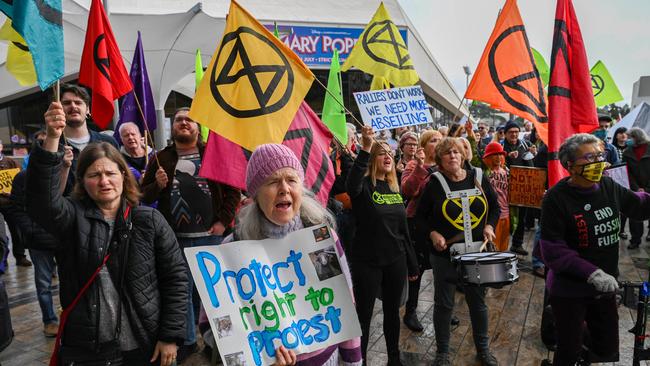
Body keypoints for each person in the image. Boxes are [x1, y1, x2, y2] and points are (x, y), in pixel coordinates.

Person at [27, 101, 189, 365]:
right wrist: (53, 139)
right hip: (89, 348)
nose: (104, 181)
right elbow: (41, 204)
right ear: (82, 181)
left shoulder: (149, 220)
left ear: (124, 177)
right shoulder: (71, 217)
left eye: (111, 173)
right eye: (94, 174)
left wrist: (170, 335)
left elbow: (176, 279)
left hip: (144, 343)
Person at [203, 143, 362, 366]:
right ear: (256, 194)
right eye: (273, 181)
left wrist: (353, 361)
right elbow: (212, 328)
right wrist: (260, 358)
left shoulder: (319, 241)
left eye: (291, 179)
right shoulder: (232, 251)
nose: (284, 188)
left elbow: (345, 305)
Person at [539, 133, 650, 365]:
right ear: (570, 165)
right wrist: (591, 273)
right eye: (589, 158)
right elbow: (551, 249)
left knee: (607, 348)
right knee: (568, 351)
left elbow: (637, 205)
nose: (598, 162)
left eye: (600, 155)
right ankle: (566, 330)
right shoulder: (556, 199)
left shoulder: (608, 185)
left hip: (606, 285)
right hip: (570, 289)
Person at [141, 107, 240, 360]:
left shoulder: (212, 154)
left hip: (211, 238)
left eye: (189, 120)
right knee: (181, 293)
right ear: (172, 127)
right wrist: (157, 185)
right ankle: (185, 340)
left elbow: (232, 191)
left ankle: (214, 339)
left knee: (212, 293)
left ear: (198, 127)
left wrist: (222, 222)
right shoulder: (160, 158)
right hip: (175, 240)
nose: (184, 123)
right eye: (178, 120)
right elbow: (142, 196)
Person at [416, 137, 500, 366]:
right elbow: (419, 218)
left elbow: (494, 207)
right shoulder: (434, 183)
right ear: (440, 160)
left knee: (478, 302)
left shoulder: (479, 178)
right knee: (444, 304)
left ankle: (483, 350)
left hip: (476, 255)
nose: (453, 156)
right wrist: (433, 233)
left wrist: (490, 225)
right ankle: (443, 353)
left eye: (456, 152)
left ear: (463, 156)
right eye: (447, 153)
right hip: (445, 257)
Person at [346, 126, 418, 365]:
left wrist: (412, 263)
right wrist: (366, 147)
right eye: (382, 153)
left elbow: (403, 230)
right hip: (367, 261)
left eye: (390, 153)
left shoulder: (394, 188)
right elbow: (352, 183)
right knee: (364, 316)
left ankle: (394, 358)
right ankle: (361, 360)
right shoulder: (363, 186)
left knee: (392, 314)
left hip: (394, 260)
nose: (388, 156)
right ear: (372, 159)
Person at [6, 143, 73, 337]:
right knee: (44, 282)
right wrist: (32, 231)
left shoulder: (62, 173)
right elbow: (16, 208)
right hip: (38, 241)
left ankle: (68, 316)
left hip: (61, 237)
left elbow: (70, 199)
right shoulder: (22, 178)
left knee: (68, 278)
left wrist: (67, 168)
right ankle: (49, 320)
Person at [400, 129, 442, 332]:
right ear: (424, 146)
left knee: (442, 271)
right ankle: (411, 312)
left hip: (440, 226)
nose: (439, 143)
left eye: (441, 140)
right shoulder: (413, 165)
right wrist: (419, 166)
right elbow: (408, 191)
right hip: (417, 224)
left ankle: (442, 311)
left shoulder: (446, 166)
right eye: (434, 140)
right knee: (416, 271)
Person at [502, 121, 536, 255]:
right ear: (505, 133)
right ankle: (502, 245)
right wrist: (505, 156)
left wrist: (533, 151)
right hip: (505, 188)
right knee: (505, 217)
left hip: (523, 188)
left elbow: (532, 160)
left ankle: (517, 244)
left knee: (521, 217)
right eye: (511, 132)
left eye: (516, 131)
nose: (514, 134)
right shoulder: (500, 146)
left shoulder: (525, 144)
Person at [622, 127, 650, 249]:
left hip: (649, 187)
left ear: (637, 137)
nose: (627, 139)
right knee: (635, 215)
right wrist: (636, 188)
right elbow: (627, 172)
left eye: (630, 137)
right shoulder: (627, 152)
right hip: (635, 189)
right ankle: (635, 240)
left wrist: (647, 188)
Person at [482, 142, 510, 252]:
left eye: (500, 154)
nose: (498, 157)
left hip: (506, 213)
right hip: (493, 215)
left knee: (504, 244)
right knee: (493, 246)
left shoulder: (507, 171)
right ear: (488, 157)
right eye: (495, 154)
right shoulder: (484, 173)